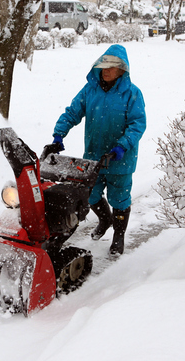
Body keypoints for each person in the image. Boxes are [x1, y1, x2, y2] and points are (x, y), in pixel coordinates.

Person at [51, 44, 146, 256]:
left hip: (120, 159)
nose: (106, 70)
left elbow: (137, 124)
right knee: (90, 196)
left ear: (123, 70)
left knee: (119, 198)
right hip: (94, 157)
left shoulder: (132, 94)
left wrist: (121, 147)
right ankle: (105, 219)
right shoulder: (90, 90)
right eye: (103, 65)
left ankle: (118, 236)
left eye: (111, 67)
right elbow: (72, 112)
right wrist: (59, 135)